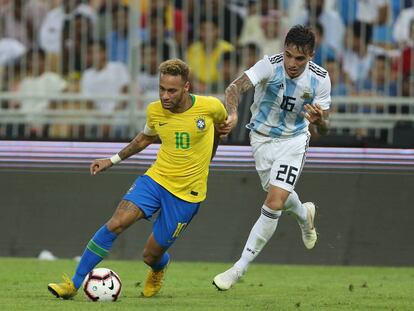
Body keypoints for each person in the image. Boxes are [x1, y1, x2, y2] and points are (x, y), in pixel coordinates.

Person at [48, 58, 227, 299]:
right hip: (156, 179)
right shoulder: (155, 110)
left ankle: (159, 268)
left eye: (172, 90)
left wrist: (210, 156)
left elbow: (222, 126)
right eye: (161, 88)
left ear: (186, 87)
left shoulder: (211, 106)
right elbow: (144, 138)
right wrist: (111, 160)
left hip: (187, 194)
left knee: (150, 255)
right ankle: (73, 284)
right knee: (116, 223)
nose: (165, 95)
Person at [213, 25, 331, 290]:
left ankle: (238, 269)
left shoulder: (321, 79)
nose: (291, 63)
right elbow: (234, 88)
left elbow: (324, 127)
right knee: (281, 198)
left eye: (299, 58)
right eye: (288, 55)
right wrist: (232, 114)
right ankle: (304, 215)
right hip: (261, 139)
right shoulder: (269, 65)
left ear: (311, 55)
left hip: (294, 141)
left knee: (275, 201)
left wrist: (319, 121)